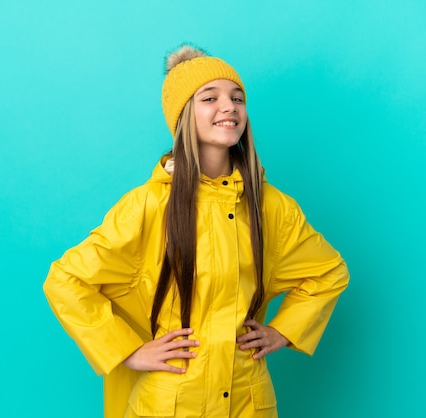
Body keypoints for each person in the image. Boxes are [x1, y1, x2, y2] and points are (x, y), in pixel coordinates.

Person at [43, 44, 349, 418]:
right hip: (171, 402)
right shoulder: (148, 205)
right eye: (210, 97)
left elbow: (328, 271)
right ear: (184, 115)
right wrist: (128, 351)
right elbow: (66, 280)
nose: (229, 106)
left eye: (238, 97)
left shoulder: (271, 206)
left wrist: (282, 331)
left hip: (247, 401)